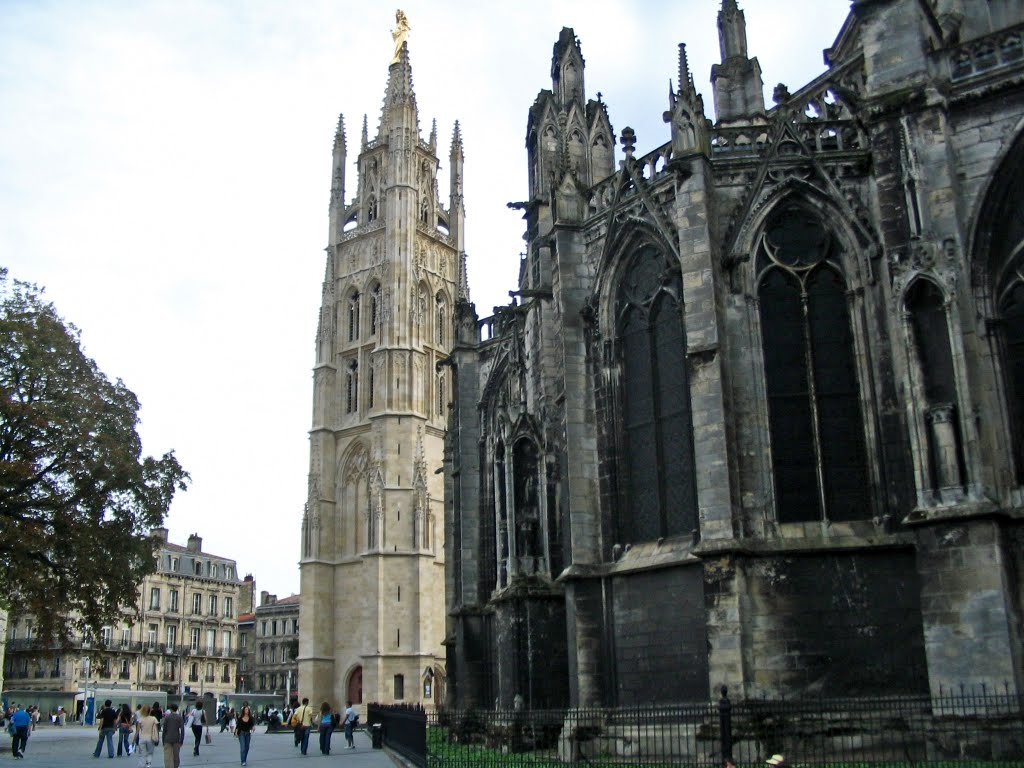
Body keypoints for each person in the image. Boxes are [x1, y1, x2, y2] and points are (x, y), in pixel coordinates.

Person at [161, 704, 185, 768]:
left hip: (167, 739)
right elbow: (182, 730)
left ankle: (169, 766)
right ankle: (175, 766)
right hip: (176, 739)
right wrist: (181, 740)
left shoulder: (167, 717)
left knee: (168, 756)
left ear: (171, 709)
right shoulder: (179, 718)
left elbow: (164, 730)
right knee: (176, 755)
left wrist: (163, 740)